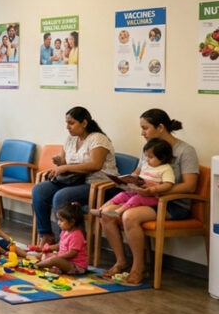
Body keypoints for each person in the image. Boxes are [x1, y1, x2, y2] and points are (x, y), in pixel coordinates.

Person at [99, 109, 199, 286]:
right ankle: (121, 261)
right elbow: (138, 173)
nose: (142, 132)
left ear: (160, 127)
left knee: (129, 216)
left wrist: (156, 190)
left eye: (145, 128)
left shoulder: (185, 151)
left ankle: (139, 268)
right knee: (106, 213)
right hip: (145, 197)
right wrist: (126, 181)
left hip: (172, 203)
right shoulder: (148, 148)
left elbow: (190, 185)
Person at [30, 106, 117, 248]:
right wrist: (60, 163)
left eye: (71, 123)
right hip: (72, 180)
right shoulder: (70, 139)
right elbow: (65, 162)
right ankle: (46, 234)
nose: (67, 127)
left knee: (61, 197)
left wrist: (65, 167)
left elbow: (96, 165)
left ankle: (63, 243)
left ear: (84, 123)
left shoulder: (98, 139)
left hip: (96, 184)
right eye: (66, 123)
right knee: (39, 190)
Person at [93, 138, 174, 219]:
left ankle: (118, 212)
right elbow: (138, 178)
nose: (146, 159)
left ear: (162, 158)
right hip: (138, 192)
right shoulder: (146, 165)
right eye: (146, 156)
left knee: (136, 199)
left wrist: (153, 189)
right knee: (121, 195)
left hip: (153, 197)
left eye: (150, 157)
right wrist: (128, 182)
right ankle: (100, 209)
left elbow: (168, 185)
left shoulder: (166, 169)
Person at [34, 202, 87, 275]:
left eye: (61, 220)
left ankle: (37, 265)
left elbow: (72, 253)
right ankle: (39, 261)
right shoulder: (65, 231)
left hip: (76, 266)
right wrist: (47, 248)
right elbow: (60, 245)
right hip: (65, 260)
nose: (58, 223)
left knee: (54, 259)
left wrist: (57, 256)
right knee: (43, 254)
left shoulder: (76, 236)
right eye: (58, 220)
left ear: (72, 222)